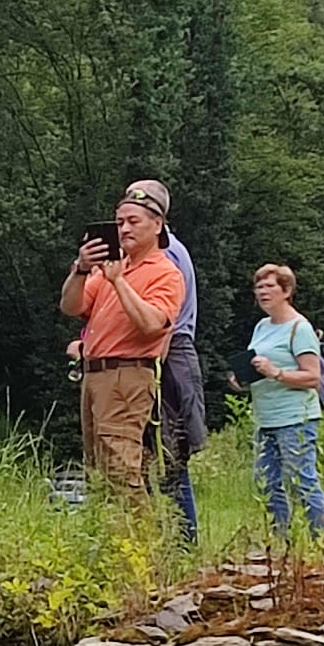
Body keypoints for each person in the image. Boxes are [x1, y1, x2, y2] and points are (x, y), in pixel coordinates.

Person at [59, 187, 186, 500]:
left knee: (120, 467)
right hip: (94, 376)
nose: (124, 229)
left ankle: (139, 532)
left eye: (133, 221)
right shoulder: (113, 267)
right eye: (119, 222)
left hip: (127, 375)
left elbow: (152, 324)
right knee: (97, 467)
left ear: (157, 225)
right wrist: (81, 269)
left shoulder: (166, 273)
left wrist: (118, 282)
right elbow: (70, 306)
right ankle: (112, 529)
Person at [128, 180, 207, 541]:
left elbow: (163, 322)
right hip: (157, 353)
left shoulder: (166, 253)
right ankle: (155, 543)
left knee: (170, 458)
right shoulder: (138, 257)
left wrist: (150, 372)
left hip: (168, 354)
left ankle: (184, 545)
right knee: (145, 457)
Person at [236, 263, 324, 538]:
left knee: (302, 482)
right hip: (265, 418)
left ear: (286, 291)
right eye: (259, 287)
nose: (262, 292)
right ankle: (280, 541)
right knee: (266, 482)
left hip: (295, 418)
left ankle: (321, 543)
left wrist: (276, 372)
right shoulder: (262, 327)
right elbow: (258, 366)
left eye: (269, 286)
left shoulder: (300, 328)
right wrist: (242, 378)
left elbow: (313, 377)